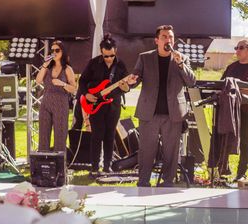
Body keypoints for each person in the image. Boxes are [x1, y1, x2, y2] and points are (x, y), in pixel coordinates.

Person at [127, 25, 196, 187]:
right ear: (157, 40)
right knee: (146, 150)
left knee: (171, 151)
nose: (168, 39)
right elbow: (135, 78)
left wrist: (181, 65)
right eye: (164, 36)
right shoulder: (145, 58)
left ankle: (167, 182)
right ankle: (143, 181)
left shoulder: (182, 58)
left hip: (173, 114)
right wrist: (132, 81)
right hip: (149, 113)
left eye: (171, 37)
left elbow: (191, 81)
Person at [79, 34, 130, 174]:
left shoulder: (120, 65)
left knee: (110, 135)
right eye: (106, 56)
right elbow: (82, 81)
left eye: (111, 55)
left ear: (116, 51)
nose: (109, 59)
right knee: (97, 135)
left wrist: (126, 87)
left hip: (113, 105)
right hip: (95, 105)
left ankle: (107, 166)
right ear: (101, 52)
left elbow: (126, 87)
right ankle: (94, 167)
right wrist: (87, 94)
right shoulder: (94, 63)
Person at [222, 39, 248, 182]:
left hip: (247, 110)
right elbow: (223, 86)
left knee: (245, 141)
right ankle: (223, 171)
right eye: (236, 48)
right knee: (225, 138)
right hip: (229, 109)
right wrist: (240, 90)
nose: (237, 50)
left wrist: (237, 92)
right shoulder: (231, 67)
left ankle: (241, 174)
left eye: (241, 48)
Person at [36, 40, 77, 152]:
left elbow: (74, 89)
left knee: (60, 135)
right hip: (46, 103)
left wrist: (62, 84)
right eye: (52, 50)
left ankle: (59, 164)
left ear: (62, 52)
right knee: (43, 135)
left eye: (57, 50)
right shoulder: (47, 67)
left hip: (61, 104)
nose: (54, 52)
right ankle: (44, 163)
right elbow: (38, 81)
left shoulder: (67, 69)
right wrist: (45, 65)